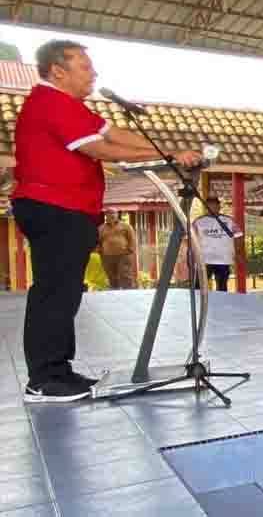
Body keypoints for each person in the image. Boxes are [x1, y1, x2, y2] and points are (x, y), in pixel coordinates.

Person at [12, 40, 201, 402]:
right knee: (54, 293)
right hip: (54, 207)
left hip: (71, 209)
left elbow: (113, 134)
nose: (94, 73)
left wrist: (166, 150)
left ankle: (58, 371)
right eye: (85, 66)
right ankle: (44, 379)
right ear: (58, 71)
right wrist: (169, 155)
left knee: (66, 293)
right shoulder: (50, 102)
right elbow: (99, 148)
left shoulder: (71, 106)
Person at [193, 196, 243, 292]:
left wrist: (238, 253)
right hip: (204, 259)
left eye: (215, 205)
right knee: (199, 287)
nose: (212, 208)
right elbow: (190, 239)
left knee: (222, 287)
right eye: (209, 206)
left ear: (219, 207)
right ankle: (201, 306)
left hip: (223, 259)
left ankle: (221, 306)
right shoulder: (198, 222)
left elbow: (239, 236)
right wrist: (192, 254)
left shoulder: (229, 221)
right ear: (205, 207)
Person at [98, 209, 138, 289]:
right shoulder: (101, 228)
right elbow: (97, 241)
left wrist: (130, 250)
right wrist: (99, 250)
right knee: (111, 275)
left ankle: (129, 293)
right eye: (109, 213)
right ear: (106, 215)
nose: (112, 215)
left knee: (125, 274)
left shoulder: (126, 226)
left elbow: (132, 238)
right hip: (107, 256)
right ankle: (114, 292)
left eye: (114, 213)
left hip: (123, 255)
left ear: (117, 214)